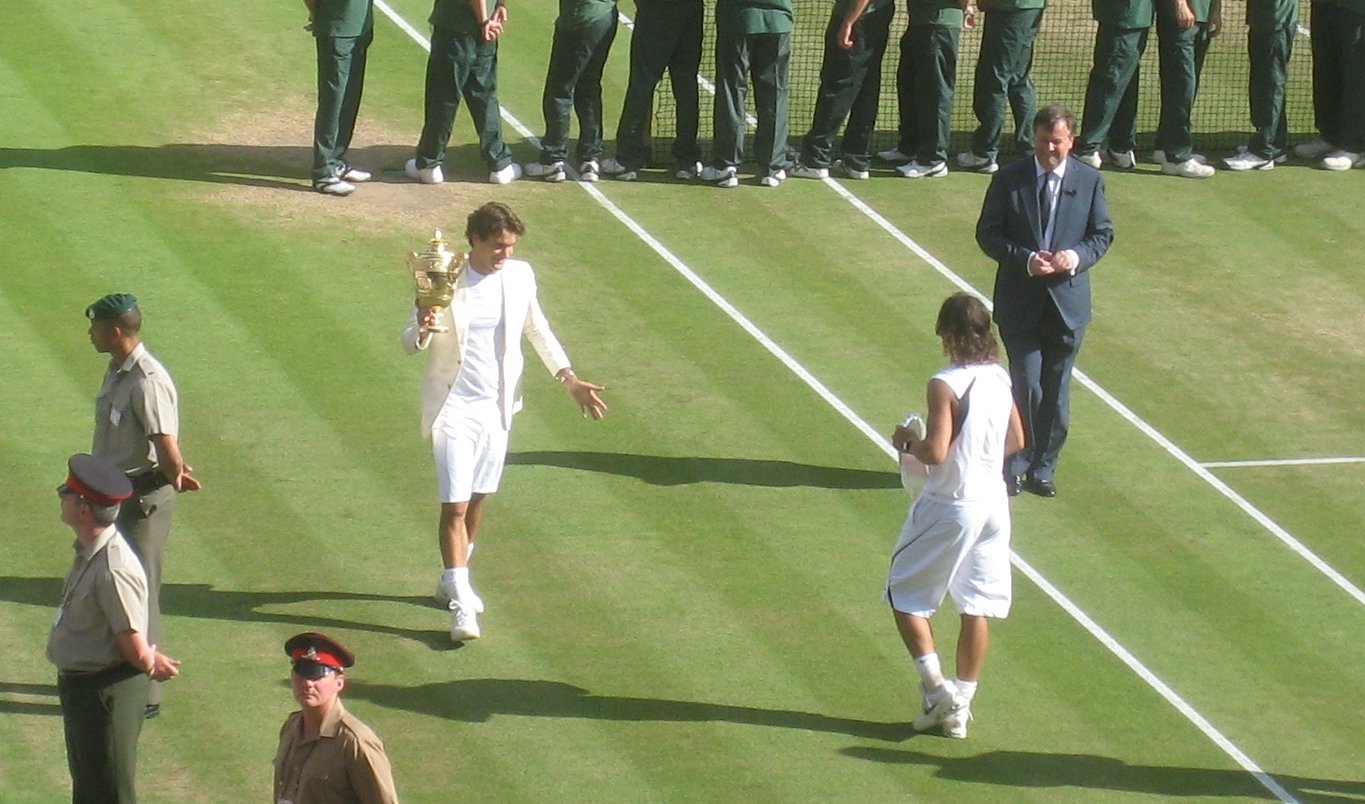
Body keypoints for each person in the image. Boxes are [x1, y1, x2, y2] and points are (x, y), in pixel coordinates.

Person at [401, 203, 607, 643]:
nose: (505, 255)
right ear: (474, 239)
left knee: (477, 501)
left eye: (510, 247)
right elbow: (408, 342)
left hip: (497, 409)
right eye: (497, 247)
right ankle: (461, 605)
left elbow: (538, 330)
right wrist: (422, 326)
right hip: (453, 408)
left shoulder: (520, 276)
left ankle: (452, 577)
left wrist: (568, 379)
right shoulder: (444, 279)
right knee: (454, 506)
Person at [887, 293, 1025, 739]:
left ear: (948, 334)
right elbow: (1016, 440)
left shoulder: (944, 384)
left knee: (904, 595)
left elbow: (935, 449)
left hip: (951, 507)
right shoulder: (999, 377)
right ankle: (959, 709)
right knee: (976, 604)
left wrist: (907, 442)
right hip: (993, 506)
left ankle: (938, 689)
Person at [975, 104, 1114, 498]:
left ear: (1071, 141)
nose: (1048, 149)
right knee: (1027, 385)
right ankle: (1014, 463)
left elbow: (1102, 234)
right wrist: (1026, 261)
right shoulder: (1009, 180)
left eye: (1056, 142)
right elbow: (988, 234)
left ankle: (1043, 469)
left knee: (1056, 391)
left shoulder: (1089, 181)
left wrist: (1075, 258)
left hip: (1068, 306)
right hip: (1021, 302)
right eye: (1042, 141)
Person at [86, 293, 201, 720]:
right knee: (113, 582)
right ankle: (118, 668)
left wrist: (177, 476)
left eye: (96, 326)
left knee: (140, 588)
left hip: (141, 496)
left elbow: (165, 445)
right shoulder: (117, 370)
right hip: (114, 493)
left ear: (116, 331)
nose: (90, 333)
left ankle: (146, 692)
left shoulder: (148, 380)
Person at [48, 453, 181, 803]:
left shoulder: (114, 567)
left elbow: (133, 646)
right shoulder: (90, 551)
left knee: (109, 793)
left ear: (84, 510)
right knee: (90, 789)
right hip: (84, 688)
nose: (61, 497)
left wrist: (152, 661)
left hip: (105, 694)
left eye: (68, 495)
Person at [405, 0, 522, 186]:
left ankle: (429, 163)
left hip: (456, 29)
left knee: (444, 95)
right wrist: (500, 5)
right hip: (486, 29)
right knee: (485, 95)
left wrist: (483, 20)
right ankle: (499, 164)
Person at [274, 633, 399, 804]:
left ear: (339, 683)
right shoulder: (291, 727)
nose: (308, 683)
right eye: (301, 672)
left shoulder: (355, 742)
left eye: (317, 675)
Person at [789, 0, 895, 182]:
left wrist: (848, 22)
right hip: (876, 15)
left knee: (839, 83)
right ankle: (856, 160)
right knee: (866, 85)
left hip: (859, 17)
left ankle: (815, 160)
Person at [599, 0, 706, 181]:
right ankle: (687, 161)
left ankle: (628, 160)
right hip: (691, 11)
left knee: (642, 84)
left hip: (656, 11)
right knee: (686, 86)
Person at [701, 0, 795, 188]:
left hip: (737, 19)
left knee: (732, 90)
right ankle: (772, 168)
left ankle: (726, 165)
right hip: (778, 21)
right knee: (775, 93)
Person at [524, 0, 620, 183]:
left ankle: (553, 159)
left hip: (580, 20)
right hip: (606, 17)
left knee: (560, 90)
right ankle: (590, 158)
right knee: (589, 85)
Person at [880, 0, 975, 179]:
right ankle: (910, 147)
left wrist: (966, 6)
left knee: (934, 93)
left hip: (939, 26)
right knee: (909, 86)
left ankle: (933, 159)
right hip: (919, 24)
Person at [957, 0, 1045, 174]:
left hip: (1009, 10)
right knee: (1018, 80)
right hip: (1030, 8)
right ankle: (1028, 150)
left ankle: (985, 153)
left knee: (994, 80)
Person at [304, 0, 376, 196]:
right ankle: (323, 172)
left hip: (360, 28)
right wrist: (318, 14)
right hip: (337, 30)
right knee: (333, 101)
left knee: (349, 98)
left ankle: (335, 161)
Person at [1072, 0, 1154, 171]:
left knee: (1110, 79)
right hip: (1132, 15)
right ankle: (1120, 148)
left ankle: (1088, 149)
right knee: (1124, 80)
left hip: (1124, 15)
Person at [1292, 0, 1365, 170]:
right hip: (1324, 5)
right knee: (1326, 68)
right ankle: (1330, 135)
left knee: (1356, 73)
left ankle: (1355, 145)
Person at [1150, 0, 1218, 178]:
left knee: (1187, 84)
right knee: (1181, 85)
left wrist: (1216, 10)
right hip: (1179, 17)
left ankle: (1165, 147)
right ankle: (1178, 157)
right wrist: (1180, 4)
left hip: (1202, 16)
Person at [1225, 0, 1296, 170]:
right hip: (1266, 19)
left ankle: (1263, 151)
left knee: (1270, 84)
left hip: (1275, 21)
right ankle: (1275, 146)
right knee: (1266, 82)